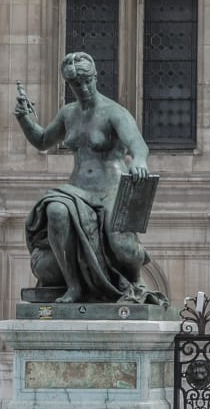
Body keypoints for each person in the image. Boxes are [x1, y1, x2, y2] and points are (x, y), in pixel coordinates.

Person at [12, 53, 165, 306]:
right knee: (56, 210)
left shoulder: (114, 112)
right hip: (78, 188)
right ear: (68, 84)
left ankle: (136, 278)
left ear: (95, 77)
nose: (82, 88)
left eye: (85, 81)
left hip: (110, 188)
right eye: (75, 83)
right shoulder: (68, 114)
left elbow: (138, 145)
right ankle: (73, 286)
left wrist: (139, 161)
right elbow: (42, 141)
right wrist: (24, 118)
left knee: (120, 245)